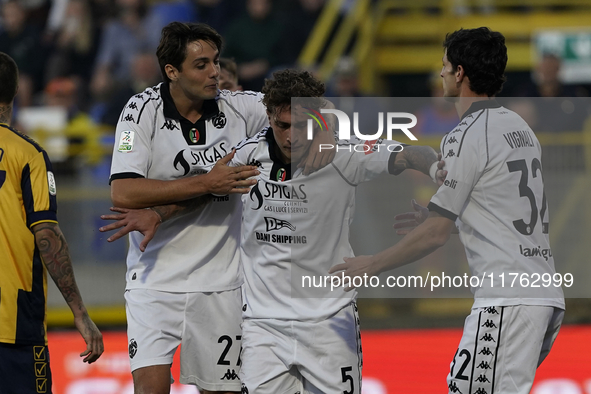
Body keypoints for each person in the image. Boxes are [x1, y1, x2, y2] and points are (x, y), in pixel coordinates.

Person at [102, 69, 443, 393]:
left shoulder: (343, 152)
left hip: (329, 319)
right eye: (282, 125)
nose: (291, 136)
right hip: (262, 326)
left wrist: (437, 169)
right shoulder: (248, 156)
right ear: (269, 118)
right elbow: (209, 190)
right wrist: (159, 214)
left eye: (302, 125)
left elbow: (411, 154)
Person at [330, 27, 565, 394]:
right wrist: (457, 220)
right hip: (543, 294)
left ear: (460, 73)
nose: (440, 73)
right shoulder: (521, 127)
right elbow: (509, 209)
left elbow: (436, 234)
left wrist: (371, 264)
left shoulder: (465, 135)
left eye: (444, 65)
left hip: (507, 296)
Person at [104, 22, 334, 394]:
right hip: (152, 281)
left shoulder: (239, 108)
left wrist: (323, 126)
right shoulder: (138, 112)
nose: (214, 72)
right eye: (201, 65)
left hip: (221, 285)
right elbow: (123, 192)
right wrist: (206, 182)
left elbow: (310, 108)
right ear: (172, 72)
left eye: (214, 62)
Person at [0, 51, 103, 394]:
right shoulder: (28, 155)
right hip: (14, 329)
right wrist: (79, 311)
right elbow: (47, 234)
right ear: (15, 94)